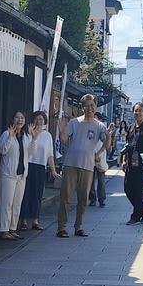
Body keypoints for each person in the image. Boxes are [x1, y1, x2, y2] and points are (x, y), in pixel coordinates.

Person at [57, 94, 106, 238]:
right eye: (87, 105)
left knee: (83, 198)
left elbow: (106, 143)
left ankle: (78, 226)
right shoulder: (74, 122)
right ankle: (62, 227)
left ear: (96, 107)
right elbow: (65, 139)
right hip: (71, 164)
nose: (90, 108)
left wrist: (108, 137)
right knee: (66, 196)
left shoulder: (99, 126)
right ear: (82, 107)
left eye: (92, 105)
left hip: (88, 166)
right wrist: (61, 131)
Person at [19, 111, 56, 231]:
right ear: (33, 120)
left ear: (45, 121)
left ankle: (35, 220)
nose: (39, 121)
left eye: (41, 119)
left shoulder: (47, 135)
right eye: (37, 119)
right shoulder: (27, 133)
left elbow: (50, 154)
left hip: (40, 166)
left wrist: (53, 170)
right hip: (28, 165)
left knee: (37, 194)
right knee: (26, 193)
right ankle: (23, 220)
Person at [0, 111, 29, 241]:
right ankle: (4, 230)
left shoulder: (25, 136)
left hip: (21, 174)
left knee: (17, 203)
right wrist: (10, 137)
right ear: (12, 119)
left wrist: (34, 139)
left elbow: (32, 153)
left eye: (22, 118)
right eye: (17, 117)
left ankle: (12, 228)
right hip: (8, 174)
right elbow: (2, 150)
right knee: (7, 203)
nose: (19, 120)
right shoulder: (6, 134)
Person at [89, 120, 115, 207]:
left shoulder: (102, 129)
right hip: (90, 159)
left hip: (100, 159)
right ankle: (92, 199)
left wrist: (98, 154)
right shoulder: (88, 129)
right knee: (90, 181)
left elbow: (106, 145)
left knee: (101, 181)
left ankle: (101, 199)